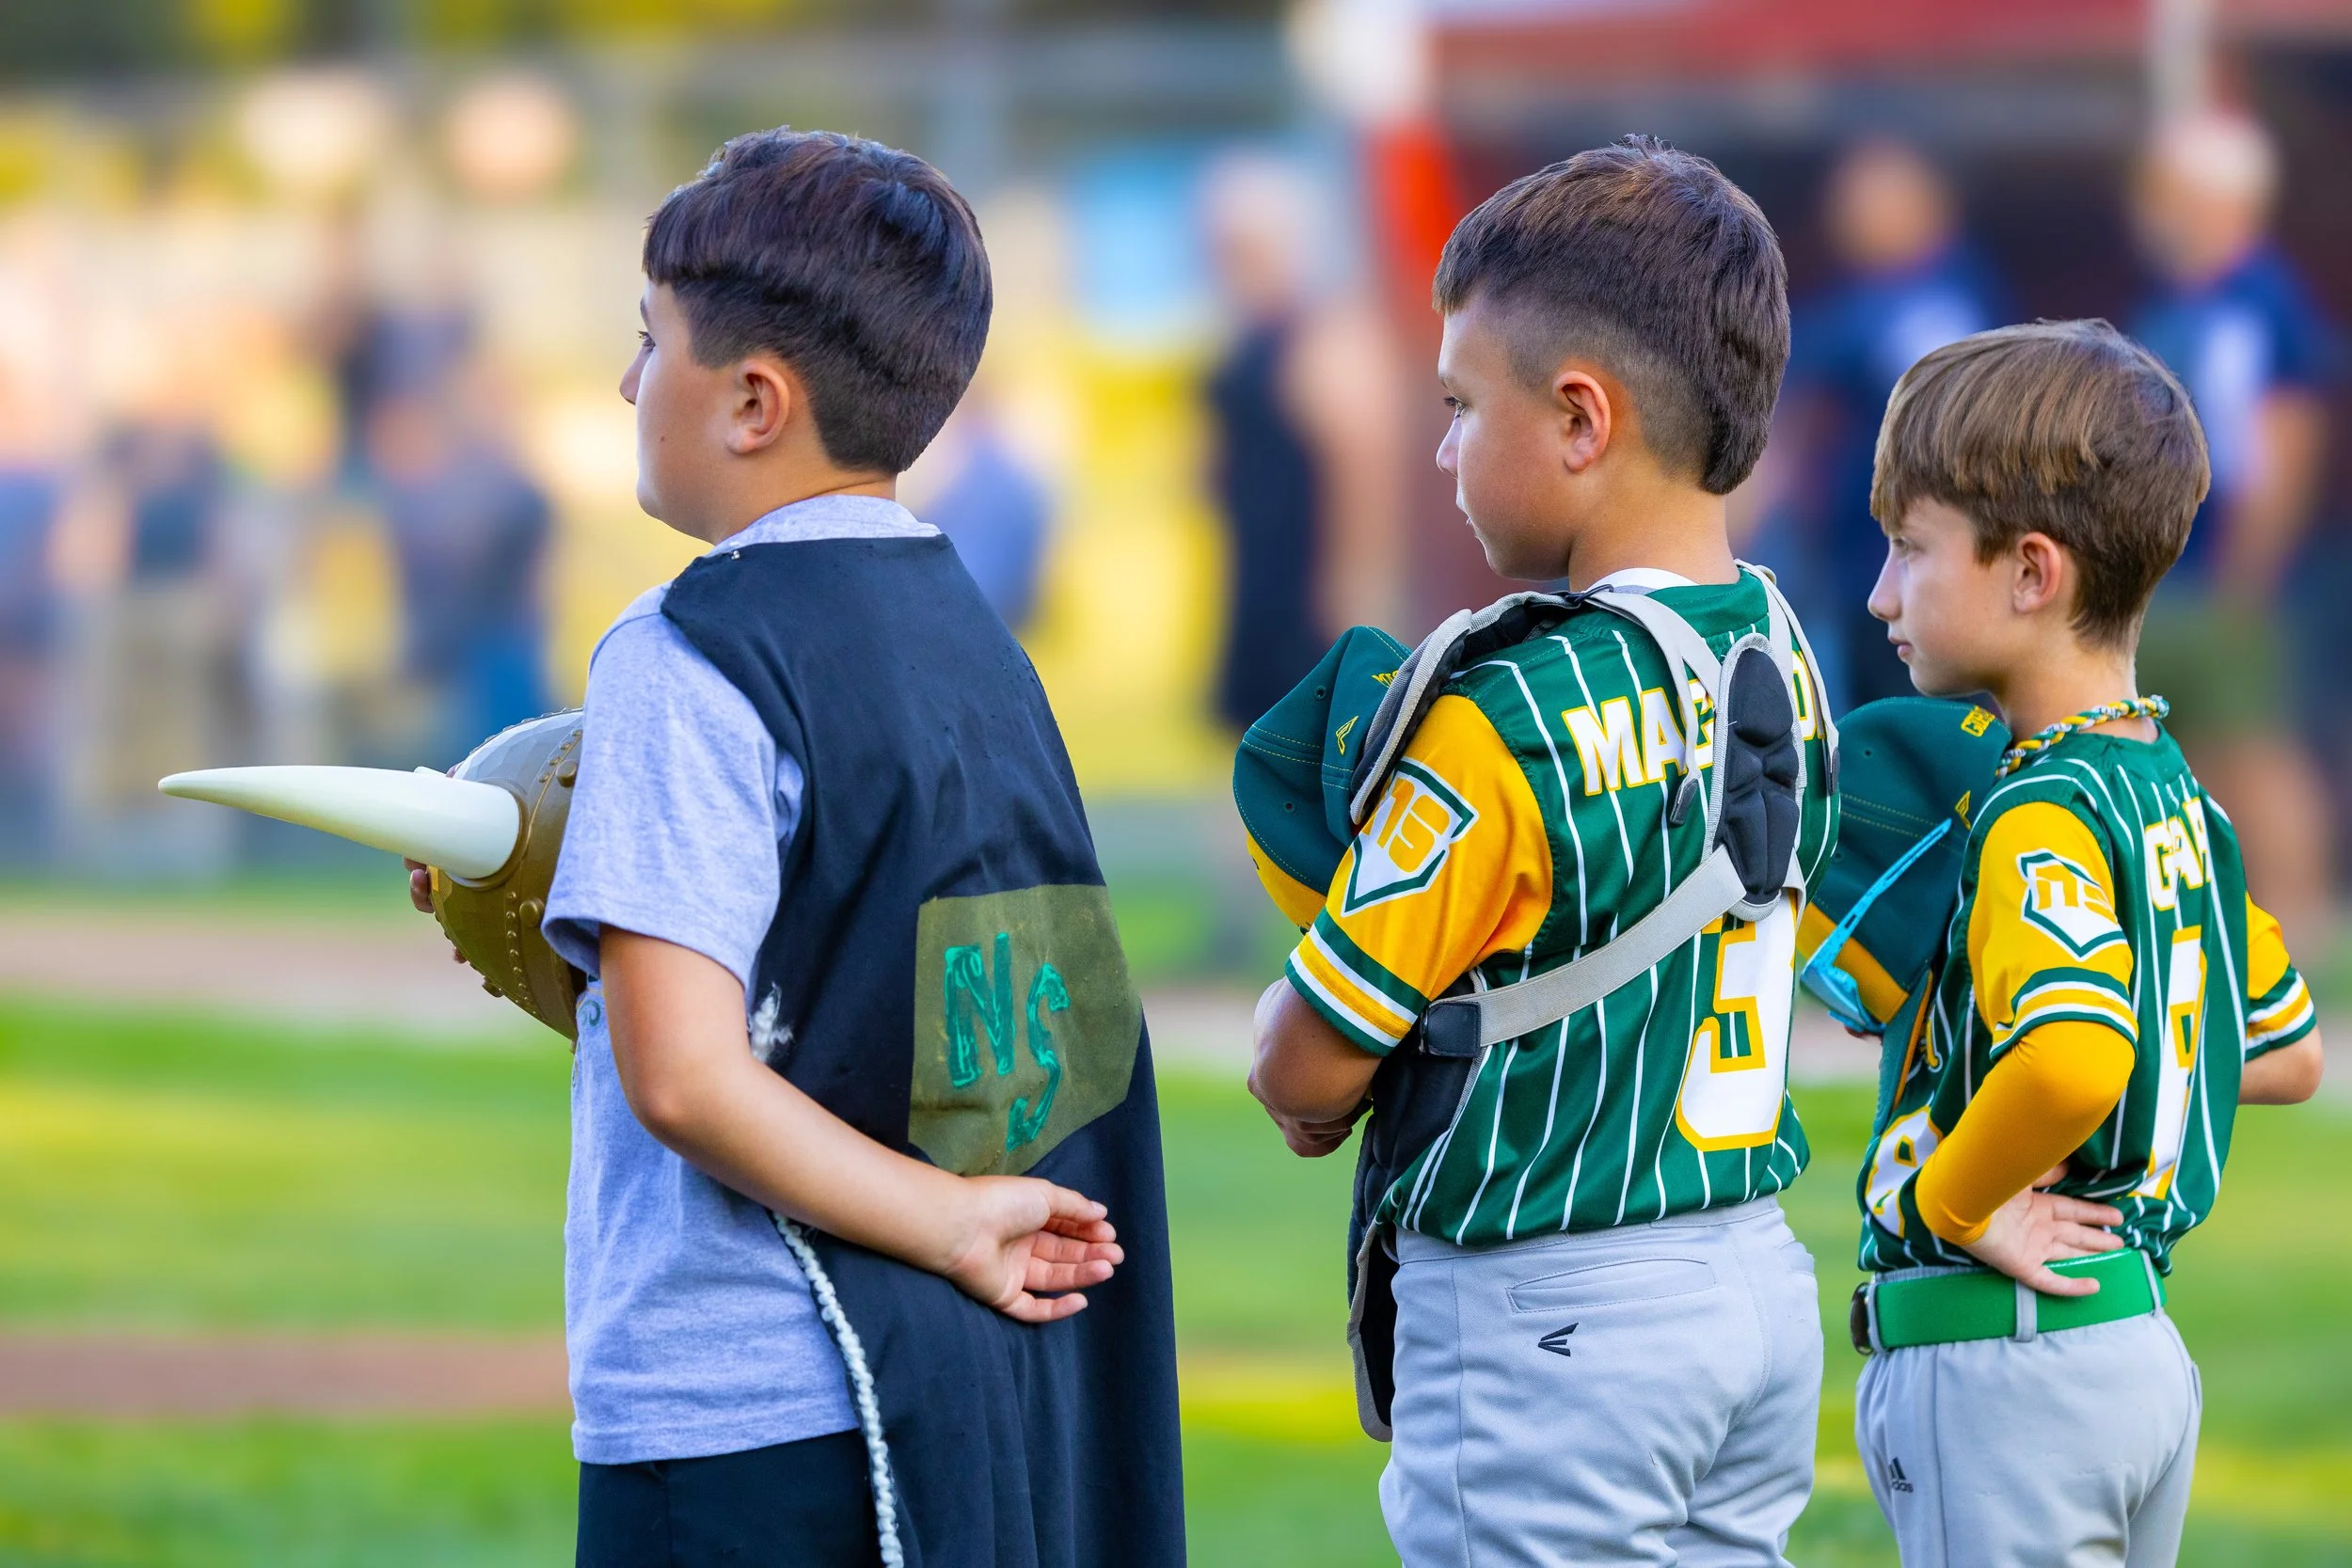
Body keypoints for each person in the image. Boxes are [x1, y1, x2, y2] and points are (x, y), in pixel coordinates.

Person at [405, 129, 1183, 1568]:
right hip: (945, 1401)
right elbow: (867, 1004)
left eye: (652, 343)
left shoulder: (685, 646)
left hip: (732, 1413)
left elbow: (690, 1079)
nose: (630, 381)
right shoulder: (970, 636)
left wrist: (949, 1222)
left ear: (755, 400)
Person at [1248, 137, 1836, 1566]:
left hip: (1552, 1313)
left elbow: (1307, 1059)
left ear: (1581, 418)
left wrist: (1300, 1059)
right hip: (1754, 1277)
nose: (1443, 446)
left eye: (1459, 404)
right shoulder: (1788, 647)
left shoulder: (1507, 708)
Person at [1851, 320, 2324, 1567]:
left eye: (1909, 547)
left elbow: (2072, 1057)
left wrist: (1958, 1198)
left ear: (2031, 573)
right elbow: (2282, 1046)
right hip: (2134, 1350)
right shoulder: (2179, 795)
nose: (1881, 592)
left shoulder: (2037, 808)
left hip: (2008, 1355)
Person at [2129, 108, 2338, 951]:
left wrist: (2246, 576)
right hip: (2179, 572)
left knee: (2254, 745)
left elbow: (2282, 443)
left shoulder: (2256, 306)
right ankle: (2239, 926)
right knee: (2208, 750)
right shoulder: (2194, 302)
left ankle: (2306, 927)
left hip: (2224, 573)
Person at [1762, 138, 2006, 714]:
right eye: (1846, 202)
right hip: (1868, 566)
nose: (1849, 217)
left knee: (1934, 735)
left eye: (1869, 200)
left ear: (1927, 205)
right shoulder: (1869, 297)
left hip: (1928, 568)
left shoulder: (1935, 302)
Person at [1201, 151, 1405, 731]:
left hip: (1305, 583)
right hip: (1254, 574)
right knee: (1250, 748)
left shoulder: (1321, 335)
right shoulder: (1249, 331)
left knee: (1314, 756)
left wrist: (1356, 583)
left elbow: (1363, 463)